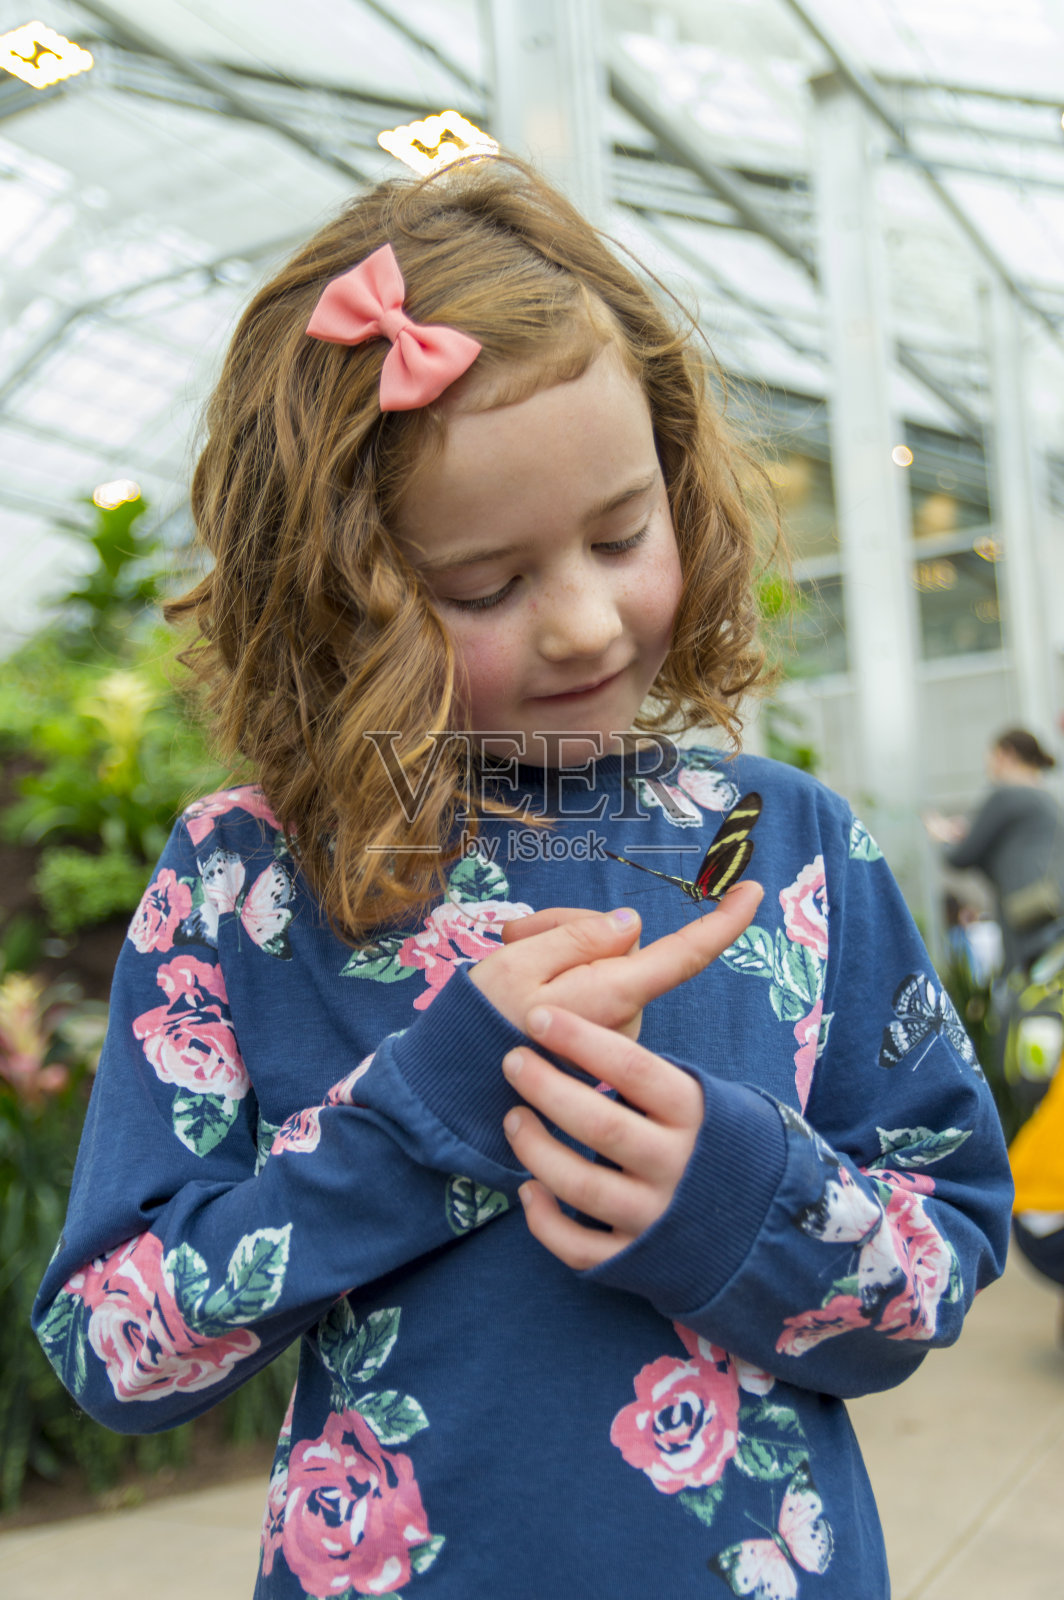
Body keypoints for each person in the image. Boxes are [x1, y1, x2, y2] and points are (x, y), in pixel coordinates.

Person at [33, 157, 1011, 1599]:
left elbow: (937, 1269)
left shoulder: (791, 847)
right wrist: (419, 1120)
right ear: (332, 601)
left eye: (624, 533)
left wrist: (738, 1199)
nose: (580, 622)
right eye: (483, 586)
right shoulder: (244, 881)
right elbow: (115, 1348)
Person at [925, 727, 1064, 975]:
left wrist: (942, 836)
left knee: (1023, 994)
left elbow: (960, 857)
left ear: (1005, 754)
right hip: (1049, 916)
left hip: (1025, 921)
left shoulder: (1005, 796)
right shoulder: (1046, 799)